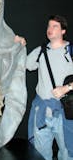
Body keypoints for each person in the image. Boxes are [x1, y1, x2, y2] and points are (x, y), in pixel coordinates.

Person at [15, 15, 73, 160]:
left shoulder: (71, 51)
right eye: (49, 26)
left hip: (65, 112)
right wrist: (19, 45)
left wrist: (66, 88)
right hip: (42, 112)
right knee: (40, 155)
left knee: (67, 154)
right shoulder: (40, 51)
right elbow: (24, 65)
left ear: (63, 31)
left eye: (55, 26)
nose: (50, 29)